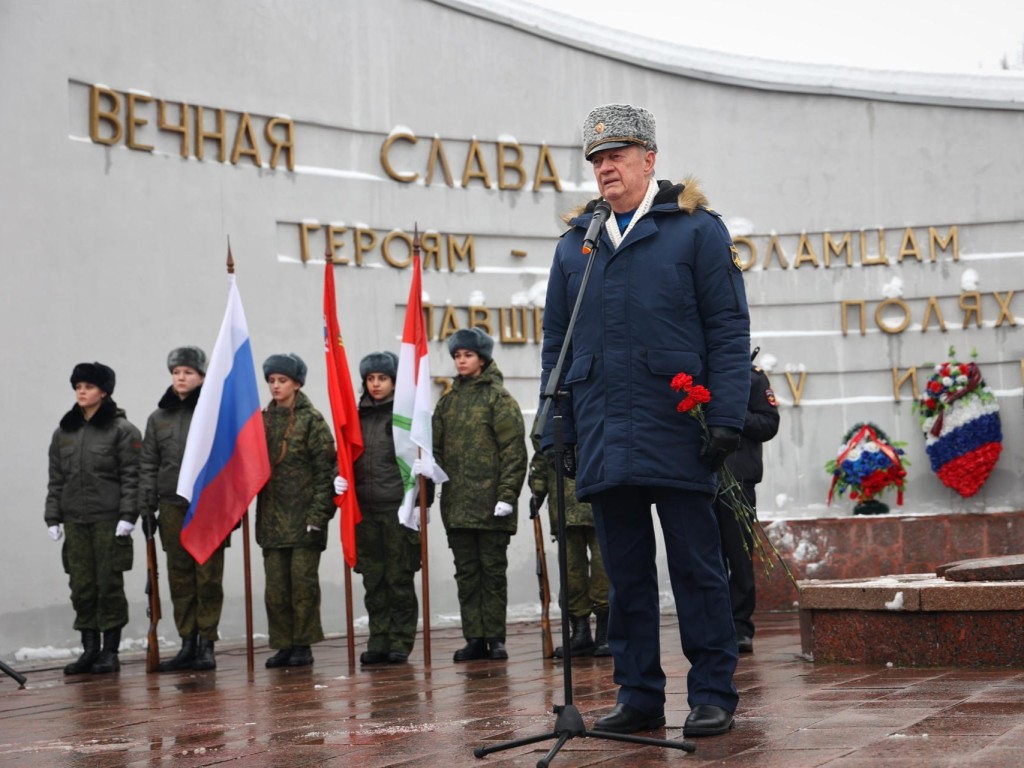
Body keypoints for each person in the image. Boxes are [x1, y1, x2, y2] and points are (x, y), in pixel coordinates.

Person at [540, 104, 751, 738]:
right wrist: (558, 429)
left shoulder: (694, 231)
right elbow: (558, 344)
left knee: (697, 568)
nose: (606, 167)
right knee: (624, 577)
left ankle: (712, 691)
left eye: (618, 156)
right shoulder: (576, 244)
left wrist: (725, 416)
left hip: (680, 428)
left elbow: (728, 329)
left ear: (649, 160)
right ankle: (638, 694)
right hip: (606, 432)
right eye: (597, 160)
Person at [429, 328, 526, 662]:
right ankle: (475, 637)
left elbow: (513, 451)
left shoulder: (498, 399)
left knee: (492, 573)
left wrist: (507, 495)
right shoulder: (448, 403)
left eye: (467, 355)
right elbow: (435, 452)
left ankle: (495, 637)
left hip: (490, 507)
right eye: (457, 356)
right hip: (457, 506)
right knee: (467, 576)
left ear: (482, 359)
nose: (461, 361)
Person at [45, 362, 142, 675]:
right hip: (75, 520)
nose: (81, 392)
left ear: (104, 391)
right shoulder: (64, 433)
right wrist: (53, 517)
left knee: (108, 584)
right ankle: (89, 649)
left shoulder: (121, 431)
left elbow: (132, 477)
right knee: (82, 585)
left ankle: (109, 652)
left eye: (88, 386)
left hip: (108, 520)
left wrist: (128, 516)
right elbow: (56, 478)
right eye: (78, 387)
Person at [138, 346, 228, 672]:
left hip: (207, 507)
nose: (181, 377)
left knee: (207, 579)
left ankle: (207, 644)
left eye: (188, 372)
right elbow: (148, 464)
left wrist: (229, 510)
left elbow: (227, 462)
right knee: (179, 578)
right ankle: (187, 642)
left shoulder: (213, 414)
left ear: (202, 377)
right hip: (171, 506)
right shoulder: (158, 419)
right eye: (176, 372)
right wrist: (146, 507)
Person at [342, 351, 423, 666]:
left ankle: (400, 640)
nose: (375, 384)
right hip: (364, 509)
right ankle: (378, 638)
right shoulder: (356, 418)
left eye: (382, 378)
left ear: (394, 382)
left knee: (398, 579)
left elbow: (421, 461)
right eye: (370, 379)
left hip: (396, 509)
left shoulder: (405, 418)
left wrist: (421, 505)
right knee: (373, 579)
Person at [257, 353, 337, 668]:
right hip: (272, 520)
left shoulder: (312, 421)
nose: (276, 386)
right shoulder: (260, 422)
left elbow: (326, 472)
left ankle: (303, 644)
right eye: (272, 381)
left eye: (282, 381)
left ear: (297, 384)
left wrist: (319, 515)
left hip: (304, 520)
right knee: (276, 589)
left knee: (303, 587)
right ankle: (283, 644)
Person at [714, 351, 780, 655]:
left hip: (738, 479)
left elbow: (768, 423)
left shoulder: (752, 377)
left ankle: (740, 626)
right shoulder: (698, 373)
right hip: (700, 478)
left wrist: (731, 414)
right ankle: (712, 625)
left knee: (738, 558)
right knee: (704, 558)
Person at [527, 418, 610, 658]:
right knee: (571, 571)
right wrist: (537, 490)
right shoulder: (552, 405)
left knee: (602, 568)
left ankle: (605, 632)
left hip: (598, 497)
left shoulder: (592, 396)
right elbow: (542, 451)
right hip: (564, 507)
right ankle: (580, 631)